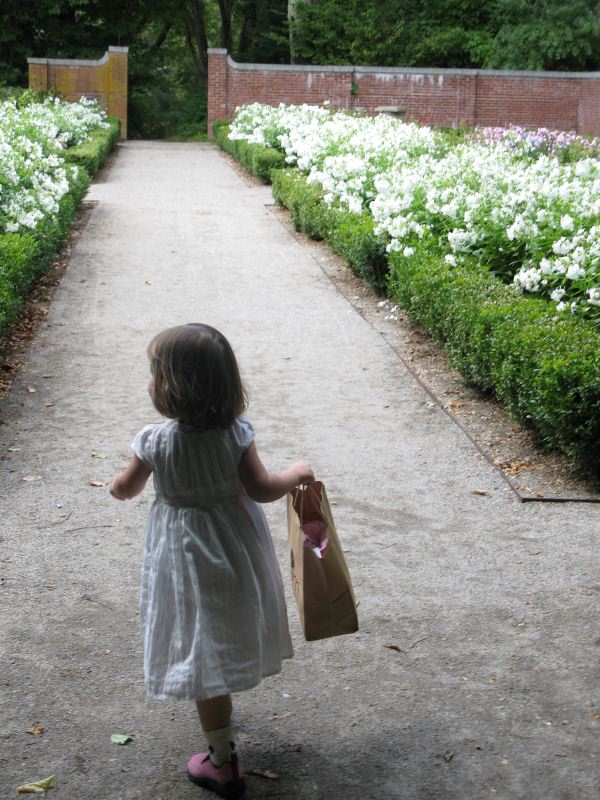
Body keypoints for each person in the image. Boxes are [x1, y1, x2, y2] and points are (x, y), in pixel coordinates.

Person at [109, 323, 314, 799]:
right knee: (223, 626)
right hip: (233, 546)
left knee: (200, 647)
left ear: (168, 386)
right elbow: (262, 489)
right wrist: (296, 473)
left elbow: (126, 487)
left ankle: (221, 762)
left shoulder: (153, 441)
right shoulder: (235, 434)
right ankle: (222, 721)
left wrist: (115, 488)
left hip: (182, 555)